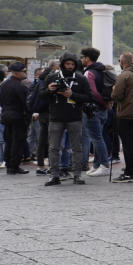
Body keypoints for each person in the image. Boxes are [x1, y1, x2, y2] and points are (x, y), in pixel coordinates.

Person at [43, 52, 90, 186]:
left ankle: (77, 175)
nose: (69, 67)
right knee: (53, 148)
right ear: (62, 64)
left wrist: (72, 94)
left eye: (72, 64)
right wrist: (49, 90)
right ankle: (54, 175)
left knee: (77, 148)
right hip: (55, 117)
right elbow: (41, 96)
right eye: (67, 64)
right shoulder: (52, 77)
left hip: (74, 117)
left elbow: (88, 97)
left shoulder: (80, 79)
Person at [111, 52, 133, 182]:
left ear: (122, 62)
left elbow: (116, 95)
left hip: (126, 113)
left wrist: (113, 89)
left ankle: (129, 172)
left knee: (127, 144)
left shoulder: (124, 75)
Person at [79, 47, 112, 177]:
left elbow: (93, 93)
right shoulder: (102, 70)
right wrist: (107, 104)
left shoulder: (89, 73)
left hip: (93, 109)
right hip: (103, 109)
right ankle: (97, 164)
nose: (81, 59)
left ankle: (103, 164)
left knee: (96, 138)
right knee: (99, 137)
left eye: (82, 57)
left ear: (87, 58)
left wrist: (102, 103)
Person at [0, 62, 30, 175]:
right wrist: (28, 118)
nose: (25, 73)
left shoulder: (4, 85)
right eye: (24, 71)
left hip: (6, 116)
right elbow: (26, 104)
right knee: (18, 141)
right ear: (17, 73)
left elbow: (1, 102)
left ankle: (9, 165)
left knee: (9, 141)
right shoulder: (20, 86)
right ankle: (14, 166)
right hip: (18, 117)